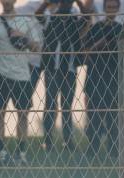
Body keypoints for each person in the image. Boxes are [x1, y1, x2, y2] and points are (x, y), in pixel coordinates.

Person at [0, 0, 42, 165]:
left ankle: (21, 153)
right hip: (0, 73)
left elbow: (37, 48)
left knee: (23, 114)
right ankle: (2, 152)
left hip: (22, 74)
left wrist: (24, 38)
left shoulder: (27, 20)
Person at [36, 0, 91, 151]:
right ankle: (48, 141)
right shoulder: (51, 18)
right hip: (52, 68)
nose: (65, 4)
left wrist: (79, 3)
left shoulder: (74, 21)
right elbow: (38, 15)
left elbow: (87, 17)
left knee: (67, 105)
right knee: (50, 104)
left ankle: (68, 141)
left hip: (70, 69)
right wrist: (47, 3)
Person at [83, 0, 122, 158]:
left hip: (114, 79)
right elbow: (85, 52)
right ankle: (92, 151)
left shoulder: (122, 29)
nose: (111, 9)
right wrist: (98, 45)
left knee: (114, 119)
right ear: (104, 9)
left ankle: (113, 153)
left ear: (118, 9)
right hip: (95, 77)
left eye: (114, 7)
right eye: (109, 7)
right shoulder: (96, 28)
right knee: (94, 118)